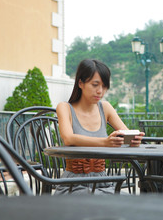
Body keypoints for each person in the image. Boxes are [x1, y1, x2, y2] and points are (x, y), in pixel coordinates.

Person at [55, 59, 144, 194]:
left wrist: (132, 140)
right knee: (104, 201)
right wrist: (105, 142)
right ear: (80, 83)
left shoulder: (105, 107)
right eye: (95, 85)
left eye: (104, 86)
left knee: (130, 202)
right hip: (74, 184)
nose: (100, 91)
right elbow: (68, 138)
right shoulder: (65, 108)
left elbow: (125, 133)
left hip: (102, 182)